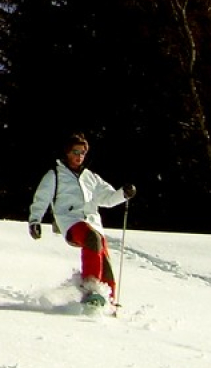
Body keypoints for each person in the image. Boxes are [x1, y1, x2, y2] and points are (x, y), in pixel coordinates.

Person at [27, 132, 136, 309]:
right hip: (70, 221)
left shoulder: (91, 177)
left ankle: (109, 300)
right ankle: (91, 288)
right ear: (67, 153)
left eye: (82, 153)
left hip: (93, 223)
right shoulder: (55, 174)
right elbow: (41, 198)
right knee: (92, 238)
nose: (79, 157)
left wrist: (123, 194)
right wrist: (35, 221)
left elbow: (107, 198)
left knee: (103, 257)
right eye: (75, 152)